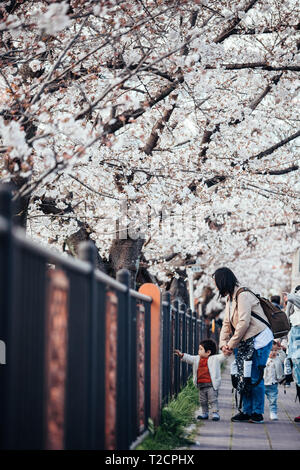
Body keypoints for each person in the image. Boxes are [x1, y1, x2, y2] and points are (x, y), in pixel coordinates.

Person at [215, 267, 273, 423]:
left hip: (259, 339)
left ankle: (257, 412)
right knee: (243, 376)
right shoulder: (230, 298)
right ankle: (246, 411)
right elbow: (227, 323)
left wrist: (232, 344)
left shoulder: (243, 295)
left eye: (217, 283)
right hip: (246, 342)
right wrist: (223, 344)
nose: (215, 286)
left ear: (223, 281)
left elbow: (244, 322)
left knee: (254, 376)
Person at [174, 339, 226, 421]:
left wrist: (226, 353)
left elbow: (222, 357)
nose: (199, 351)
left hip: (211, 385)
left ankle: (215, 413)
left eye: (201, 349)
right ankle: (204, 413)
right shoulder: (197, 359)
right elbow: (189, 358)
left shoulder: (214, 359)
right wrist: (181, 355)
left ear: (208, 352)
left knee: (213, 399)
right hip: (201, 385)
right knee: (202, 401)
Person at [283, 286, 300, 423]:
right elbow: (286, 314)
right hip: (294, 335)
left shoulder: (293, 296)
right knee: (298, 378)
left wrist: (292, 297)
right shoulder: (295, 291)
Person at [264, 343, 284, 420]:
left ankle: (273, 412)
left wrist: (280, 349)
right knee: (259, 399)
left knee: (273, 399)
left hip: (272, 383)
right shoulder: (264, 359)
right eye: (271, 350)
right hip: (262, 382)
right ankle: (258, 412)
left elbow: (283, 357)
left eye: (275, 350)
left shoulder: (278, 359)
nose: (273, 352)